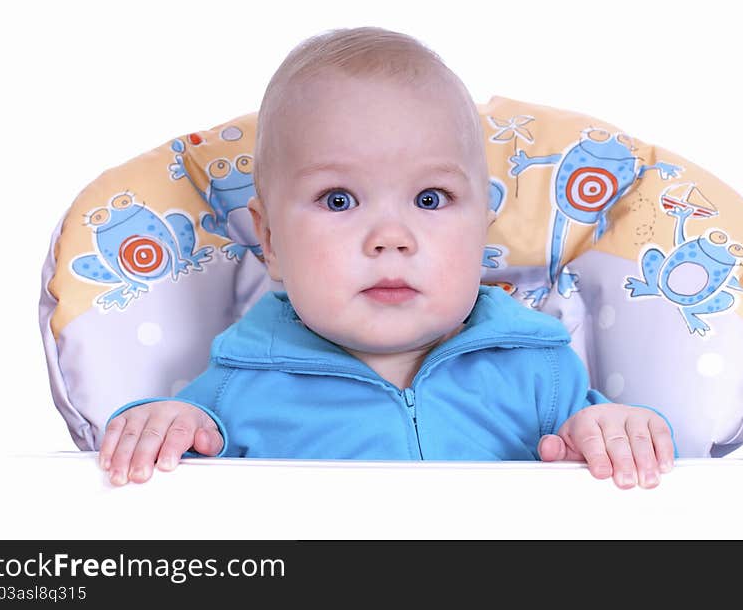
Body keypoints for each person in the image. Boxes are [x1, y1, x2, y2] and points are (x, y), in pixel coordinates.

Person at [99, 27, 676, 489]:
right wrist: (164, 425)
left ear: (484, 228)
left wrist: (610, 430)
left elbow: (597, 459)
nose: (390, 238)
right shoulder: (236, 385)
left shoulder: (540, 371)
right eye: (339, 199)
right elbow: (174, 483)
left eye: (431, 199)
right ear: (270, 240)